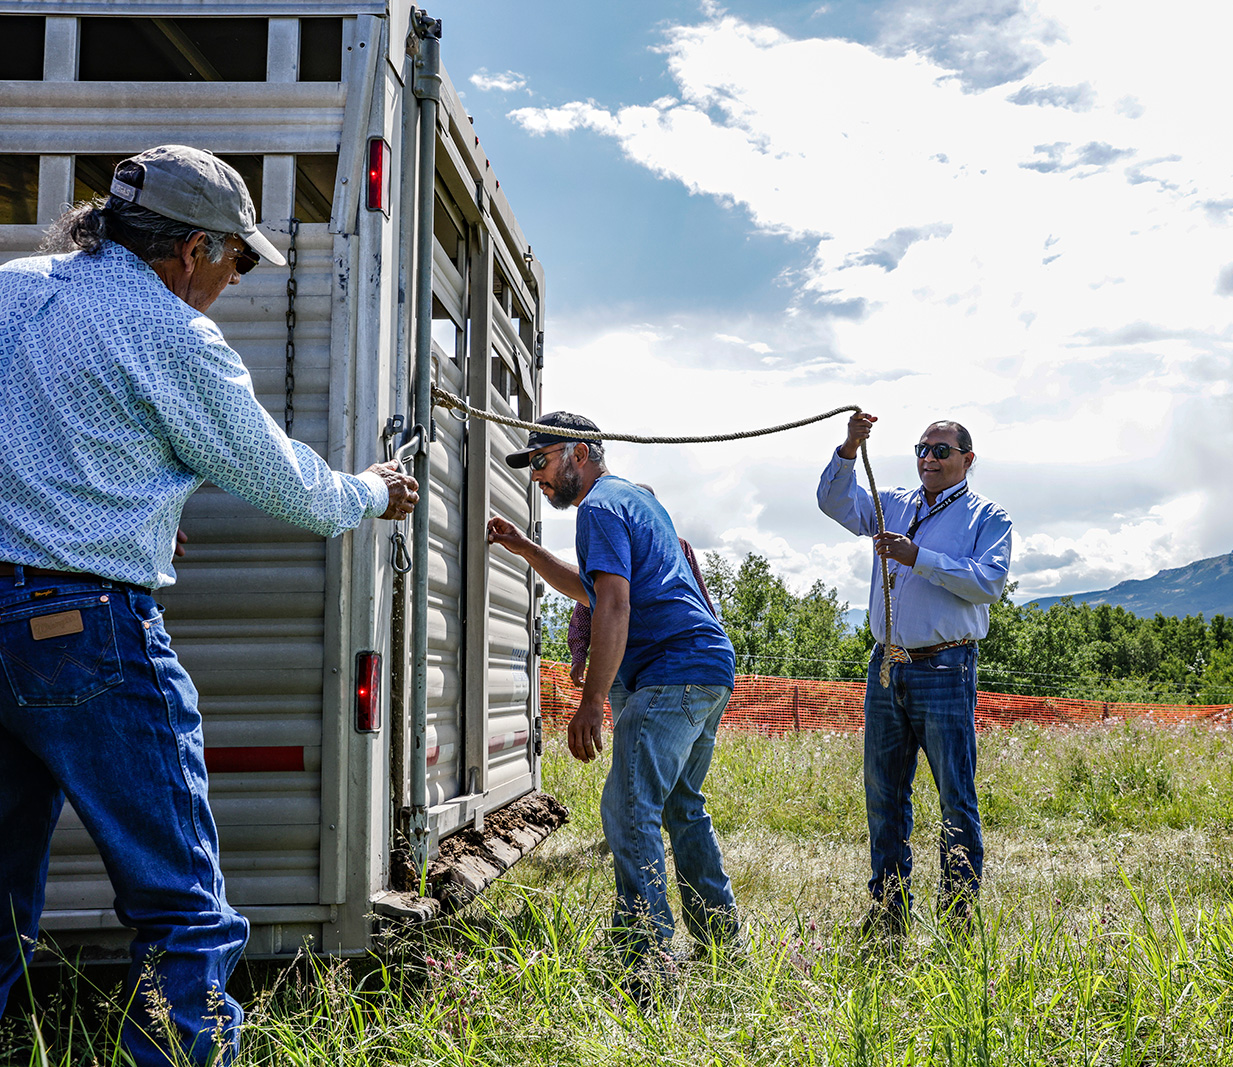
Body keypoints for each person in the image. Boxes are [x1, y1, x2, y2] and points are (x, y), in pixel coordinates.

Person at [0, 145, 417, 1067]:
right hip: (87, 633)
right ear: (190, 249)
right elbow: (290, 487)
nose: (234, 280)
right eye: (236, 259)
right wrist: (374, 492)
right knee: (181, 903)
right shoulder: (172, 334)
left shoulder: (12, 289)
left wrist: (119, 513)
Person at [485, 413, 739, 975]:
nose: (536, 477)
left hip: (671, 671)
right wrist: (527, 549)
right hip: (706, 666)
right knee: (680, 806)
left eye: (542, 461)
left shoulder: (598, 507)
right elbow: (593, 590)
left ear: (579, 453)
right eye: (531, 466)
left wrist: (591, 702)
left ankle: (646, 957)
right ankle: (721, 942)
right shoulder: (630, 500)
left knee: (627, 809)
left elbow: (616, 607)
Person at [817, 412, 1012, 936]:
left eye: (941, 451)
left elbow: (988, 583)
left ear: (968, 461)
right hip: (886, 664)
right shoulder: (896, 502)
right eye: (922, 450)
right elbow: (837, 503)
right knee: (883, 796)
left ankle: (958, 918)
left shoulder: (987, 518)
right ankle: (888, 912)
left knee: (955, 794)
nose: (929, 458)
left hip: (947, 665)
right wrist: (849, 449)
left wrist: (918, 556)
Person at [567, 484, 716, 686]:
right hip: (620, 657)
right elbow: (591, 598)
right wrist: (578, 653)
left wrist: (714, 642)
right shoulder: (615, 538)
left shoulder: (679, 545)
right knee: (626, 716)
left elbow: (698, 594)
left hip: (669, 658)